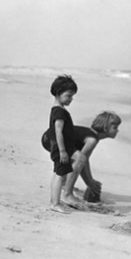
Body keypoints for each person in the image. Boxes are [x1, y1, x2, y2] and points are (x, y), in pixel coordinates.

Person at [42, 111, 122, 205]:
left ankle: (64, 183)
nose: (117, 130)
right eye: (115, 127)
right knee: (79, 159)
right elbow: (81, 163)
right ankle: (67, 194)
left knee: (76, 158)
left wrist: (90, 180)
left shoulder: (89, 134)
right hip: (53, 139)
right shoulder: (92, 140)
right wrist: (90, 182)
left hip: (48, 137)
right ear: (105, 128)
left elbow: (83, 162)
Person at [48, 75, 78, 213]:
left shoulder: (57, 109)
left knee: (57, 174)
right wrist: (63, 151)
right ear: (58, 93)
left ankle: (54, 201)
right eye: (68, 96)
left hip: (59, 148)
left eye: (72, 96)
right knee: (60, 176)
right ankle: (55, 203)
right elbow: (58, 131)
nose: (71, 99)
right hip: (60, 149)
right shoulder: (59, 111)